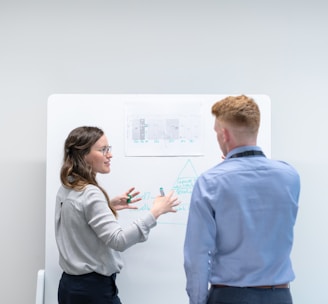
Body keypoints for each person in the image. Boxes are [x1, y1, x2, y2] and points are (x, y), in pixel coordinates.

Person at [183, 95, 300, 304]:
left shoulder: (210, 182)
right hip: (280, 296)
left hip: (230, 296)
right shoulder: (290, 176)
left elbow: (198, 256)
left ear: (224, 135)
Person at [55, 126, 179, 304]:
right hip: (93, 291)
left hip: (70, 287)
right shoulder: (90, 193)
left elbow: (77, 216)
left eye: (108, 149)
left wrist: (108, 205)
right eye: (102, 149)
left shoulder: (69, 186)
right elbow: (118, 240)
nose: (109, 155)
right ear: (83, 155)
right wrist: (155, 212)